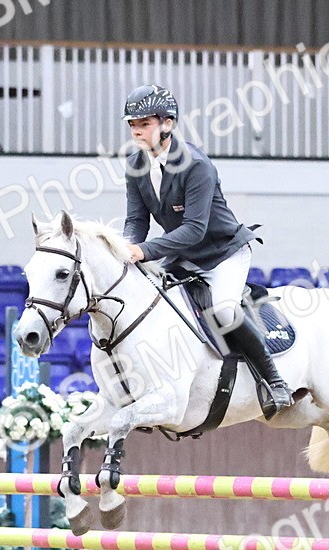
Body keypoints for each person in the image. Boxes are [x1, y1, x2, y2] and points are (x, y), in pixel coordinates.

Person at [120, 84, 294, 420]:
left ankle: (274, 381)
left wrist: (143, 251)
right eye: (132, 124)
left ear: (167, 123)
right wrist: (127, 247)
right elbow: (136, 219)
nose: (136, 131)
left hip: (222, 252)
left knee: (224, 313)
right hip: (183, 255)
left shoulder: (196, 164)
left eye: (143, 123)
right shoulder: (134, 164)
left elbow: (194, 229)